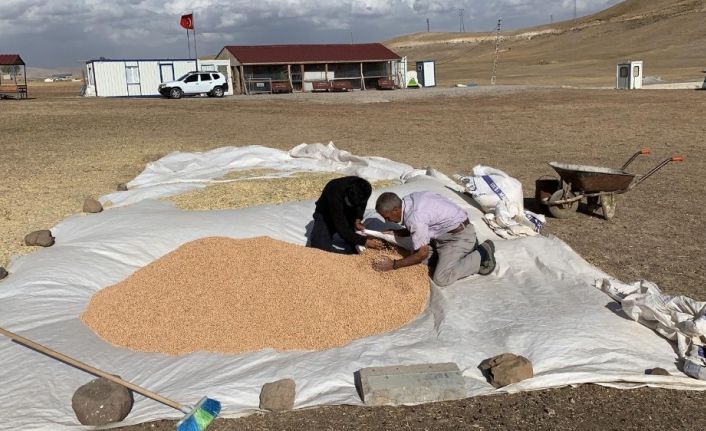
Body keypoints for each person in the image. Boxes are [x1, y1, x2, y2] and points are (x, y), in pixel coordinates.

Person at [372, 191, 496, 286]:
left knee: (441, 278)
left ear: (396, 209)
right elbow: (423, 225)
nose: (386, 221)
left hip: (458, 237)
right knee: (416, 257)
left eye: (387, 217)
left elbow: (422, 253)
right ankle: (457, 255)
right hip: (445, 233)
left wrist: (394, 265)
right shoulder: (409, 200)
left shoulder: (414, 218)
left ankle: (482, 253)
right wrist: (396, 232)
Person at [309, 176, 384, 253]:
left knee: (355, 246)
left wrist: (358, 219)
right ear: (346, 194)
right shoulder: (334, 190)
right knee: (319, 248)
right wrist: (365, 242)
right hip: (326, 214)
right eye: (351, 203)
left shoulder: (365, 189)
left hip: (349, 213)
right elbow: (342, 229)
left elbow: (362, 205)